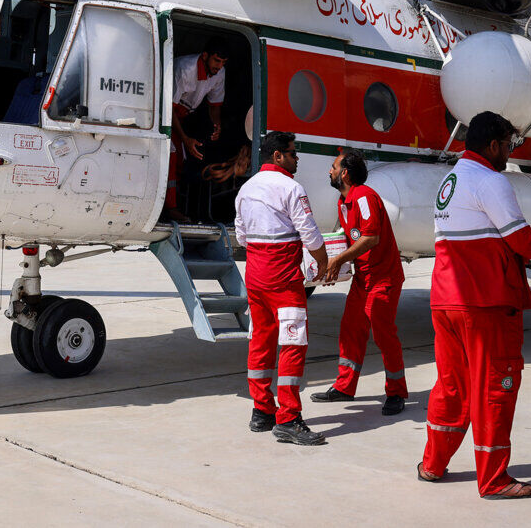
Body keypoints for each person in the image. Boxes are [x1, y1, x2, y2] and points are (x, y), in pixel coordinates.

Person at [419, 111, 531, 498]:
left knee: (451, 387)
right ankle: (494, 479)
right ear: (494, 145)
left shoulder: (450, 179)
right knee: (496, 387)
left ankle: (433, 464)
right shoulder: (490, 181)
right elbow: (521, 240)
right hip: (485, 303)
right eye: (508, 145)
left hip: (447, 300)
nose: (509, 153)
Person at [235, 131, 328, 446]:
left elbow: (241, 236)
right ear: (278, 157)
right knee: (293, 344)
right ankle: (288, 418)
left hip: (255, 274)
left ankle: (262, 411)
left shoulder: (246, 189)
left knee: (261, 340)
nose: (296, 157)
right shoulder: (291, 188)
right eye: (292, 153)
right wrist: (324, 263)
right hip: (282, 276)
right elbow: (311, 235)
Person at [310, 150, 408, 415]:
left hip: (382, 278)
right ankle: (344, 387)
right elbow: (353, 240)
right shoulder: (344, 202)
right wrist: (334, 264)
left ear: (345, 173)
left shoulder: (364, 196)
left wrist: (338, 260)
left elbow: (370, 237)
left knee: (384, 335)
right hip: (364, 278)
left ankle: (397, 392)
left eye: (333, 167)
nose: (329, 171)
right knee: (351, 330)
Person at [172, 38, 229, 161]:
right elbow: (168, 109)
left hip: (189, 115)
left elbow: (214, 105)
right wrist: (184, 138)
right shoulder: (184, 69)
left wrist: (216, 125)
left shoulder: (219, 72)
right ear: (204, 56)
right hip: (170, 115)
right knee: (173, 156)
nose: (219, 66)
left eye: (223, 62)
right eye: (217, 61)